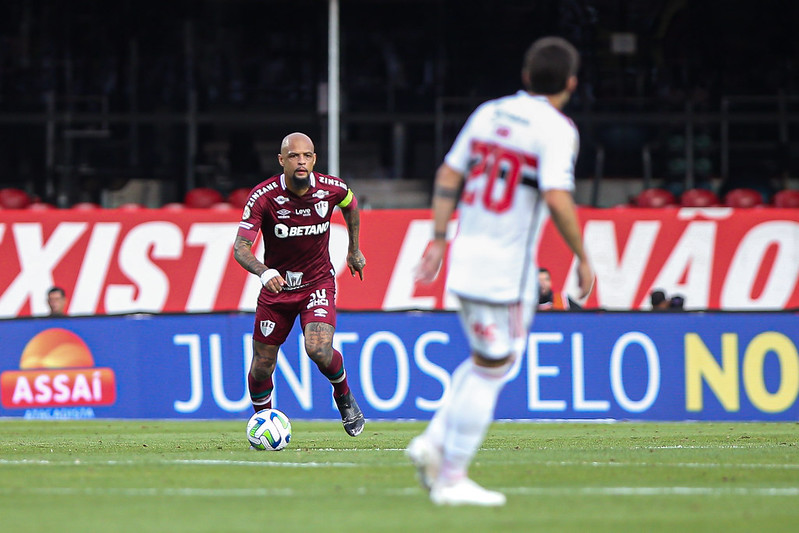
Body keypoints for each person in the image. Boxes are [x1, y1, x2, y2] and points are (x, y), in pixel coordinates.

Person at [407, 36, 594, 506]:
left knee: (483, 359)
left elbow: (449, 174)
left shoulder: (489, 113)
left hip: (465, 257)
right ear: (571, 83)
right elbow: (555, 195)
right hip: (507, 271)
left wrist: (438, 238)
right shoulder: (557, 129)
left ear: (527, 77)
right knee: (496, 366)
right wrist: (584, 256)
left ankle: (432, 441)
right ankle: (451, 478)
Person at [233, 132, 366, 437]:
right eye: (294, 156)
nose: (301, 161)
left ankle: (343, 395)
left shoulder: (332, 189)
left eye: (307, 155)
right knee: (262, 365)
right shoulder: (263, 197)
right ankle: (264, 423)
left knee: (318, 349)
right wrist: (264, 272)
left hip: (317, 283)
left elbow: (351, 203)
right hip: (276, 289)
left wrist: (354, 249)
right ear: (282, 161)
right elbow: (241, 248)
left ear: (314, 159)